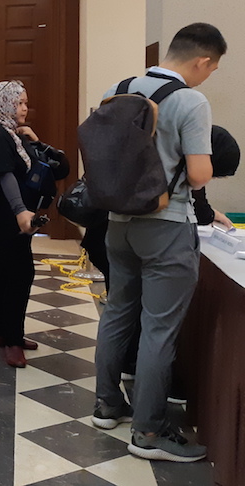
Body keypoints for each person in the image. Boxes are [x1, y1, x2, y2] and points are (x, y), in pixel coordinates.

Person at [92, 23, 225, 464]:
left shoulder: (119, 88)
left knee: (117, 311)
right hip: (166, 224)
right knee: (159, 328)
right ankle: (148, 431)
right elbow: (202, 174)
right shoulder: (191, 99)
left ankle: (108, 405)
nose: (208, 76)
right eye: (212, 68)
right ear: (202, 60)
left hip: (117, 221)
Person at [0, 80, 68, 368]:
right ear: (4, 104)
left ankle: (4, 332)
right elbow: (5, 176)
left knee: (7, 271)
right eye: (19, 103)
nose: (24, 108)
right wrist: (20, 211)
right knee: (19, 274)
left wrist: (35, 140)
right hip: (6, 217)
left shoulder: (11, 134)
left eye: (25, 102)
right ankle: (12, 340)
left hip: (13, 216)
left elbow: (58, 167)